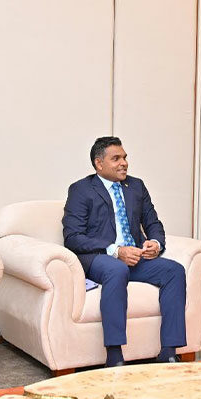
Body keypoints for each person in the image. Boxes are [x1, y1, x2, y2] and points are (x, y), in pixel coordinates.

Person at [62, 136, 187, 367]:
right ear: (99, 163)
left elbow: (153, 223)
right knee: (117, 270)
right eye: (116, 158)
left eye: (125, 157)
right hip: (99, 257)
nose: (124, 163)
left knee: (174, 271)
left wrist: (155, 243)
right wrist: (115, 251)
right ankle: (114, 355)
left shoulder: (136, 186)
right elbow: (73, 237)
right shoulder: (81, 190)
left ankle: (169, 351)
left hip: (135, 256)